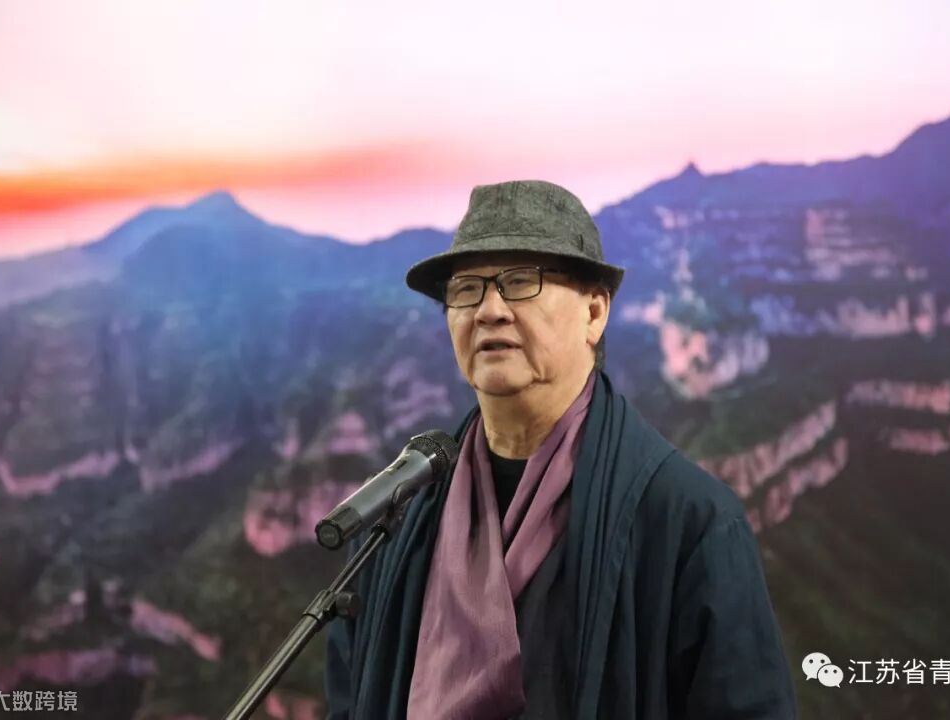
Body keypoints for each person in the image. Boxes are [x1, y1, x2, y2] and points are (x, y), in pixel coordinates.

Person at [324, 179, 797, 719]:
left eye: (520, 282)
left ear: (594, 313)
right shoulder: (402, 515)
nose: (490, 310)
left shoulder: (687, 519)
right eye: (467, 289)